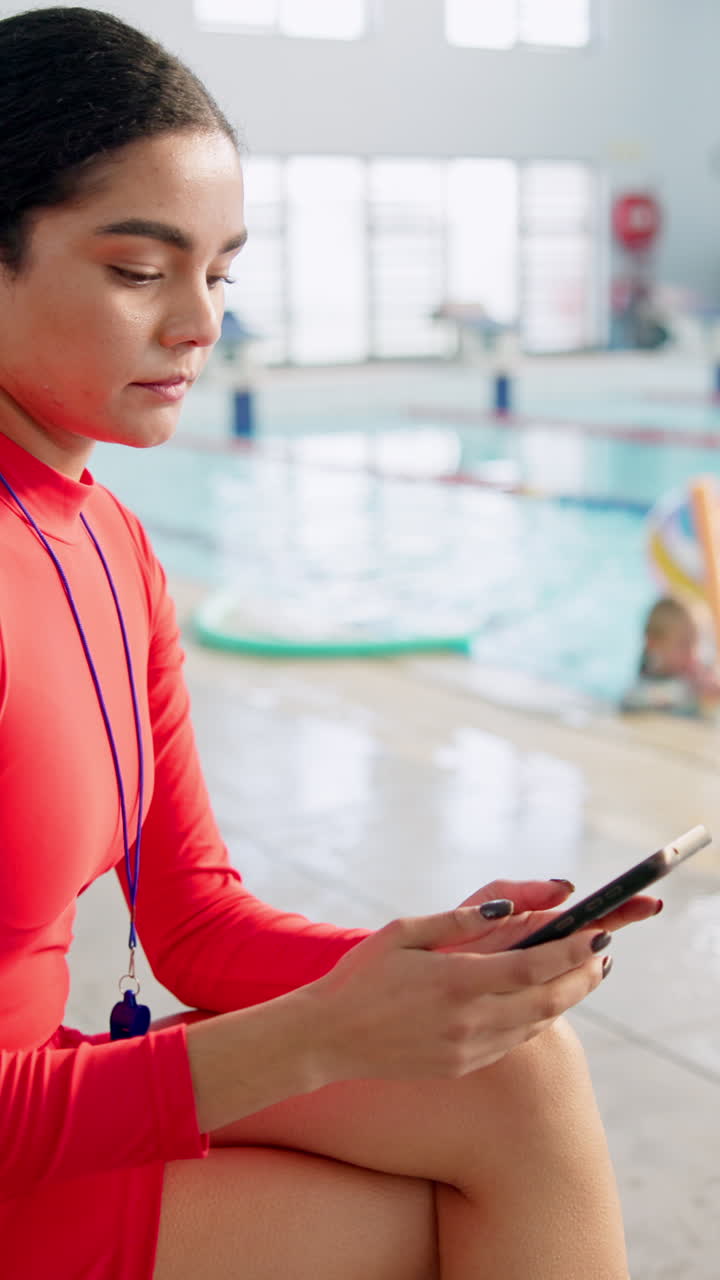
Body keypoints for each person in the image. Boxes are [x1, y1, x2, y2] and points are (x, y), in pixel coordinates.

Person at [0, 8, 662, 1279]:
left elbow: (190, 917)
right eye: (141, 271)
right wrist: (321, 1038)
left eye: (223, 271)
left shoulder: (117, 549)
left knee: (518, 1068)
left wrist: (411, 967)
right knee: (428, 1234)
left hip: (45, 1107)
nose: (201, 322)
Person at [621, 595, 720, 716]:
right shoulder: (648, 678)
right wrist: (690, 691)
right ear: (654, 642)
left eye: (695, 643)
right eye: (684, 644)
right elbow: (630, 702)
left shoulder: (697, 677)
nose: (692, 653)